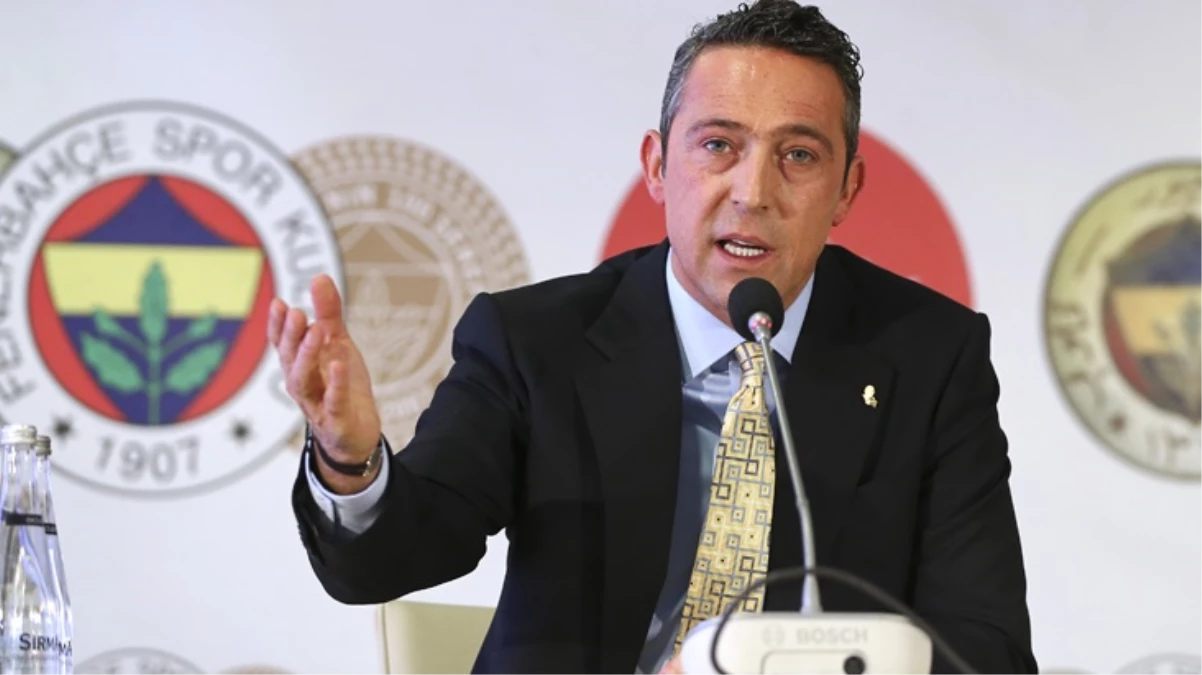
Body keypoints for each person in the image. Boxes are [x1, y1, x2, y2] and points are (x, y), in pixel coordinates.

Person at [271, 1, 1038, 673]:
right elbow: (393, 556)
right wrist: (348, 460)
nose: (753, 192)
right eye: (719, 145)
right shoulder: (537, 341)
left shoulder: (929, 356)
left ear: (847, 191)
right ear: (657, 165)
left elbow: (989, 646)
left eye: (798, 155)